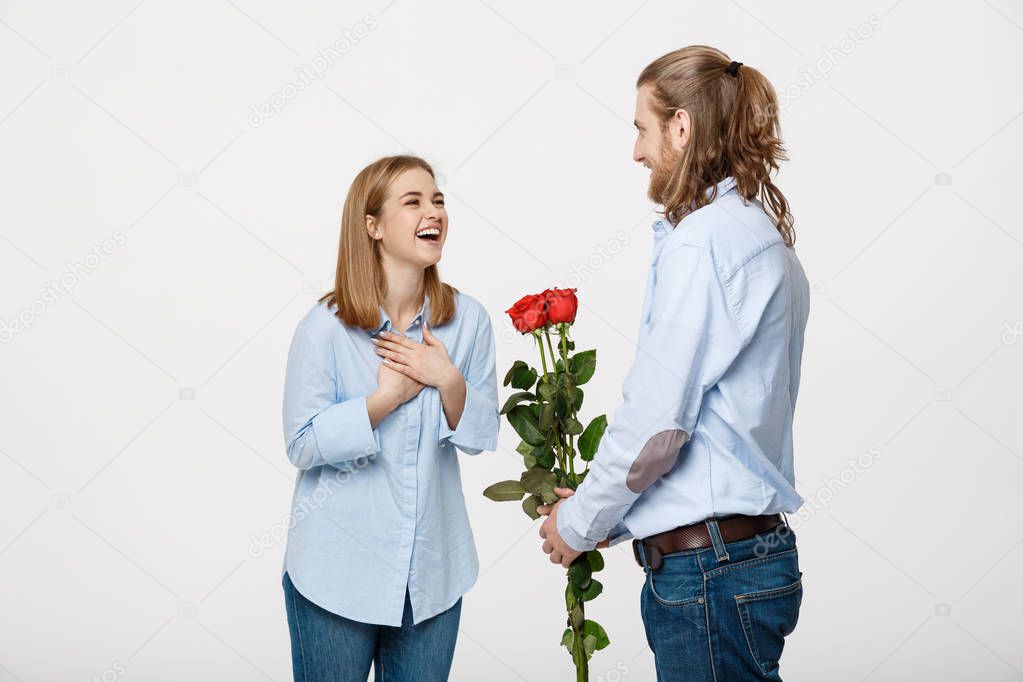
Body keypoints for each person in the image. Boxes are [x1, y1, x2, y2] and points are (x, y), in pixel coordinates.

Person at [537, 46, 810, 681]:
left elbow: (659, 432)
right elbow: (719, 430)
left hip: (709, 573)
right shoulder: (765, 241)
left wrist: (578, 523)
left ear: (681, 127)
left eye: (642, 128)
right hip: (749, 556)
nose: (636, 151)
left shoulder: (705, 243)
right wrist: (616, 518)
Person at [280, 155, 499, 681]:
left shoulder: (468, 321)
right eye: (414, 201)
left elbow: (481, 434)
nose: (434, 212)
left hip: (432, 577)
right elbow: (302, 444)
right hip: (334, 577)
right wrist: (384, 400)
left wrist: (447, 379)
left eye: (438, 200)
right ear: (372, 226)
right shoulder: (323, 329)